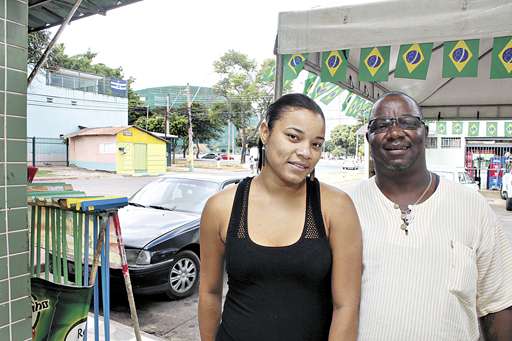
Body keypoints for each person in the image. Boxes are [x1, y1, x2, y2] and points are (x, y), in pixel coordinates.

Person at [348, 91, 512, 340]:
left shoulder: (472, 207)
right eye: (381, 125)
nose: (394, 132)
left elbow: (498, 305)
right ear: (369, 137)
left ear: (425, 133)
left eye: (408, 122)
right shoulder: (345, 206)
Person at [198, 93, 362, 341]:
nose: (306, 152)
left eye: (316, 144)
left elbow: (346, 306)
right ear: (265, 132)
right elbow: (209, 292)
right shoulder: (221, 207)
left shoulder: (336, 207)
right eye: (293, 137)